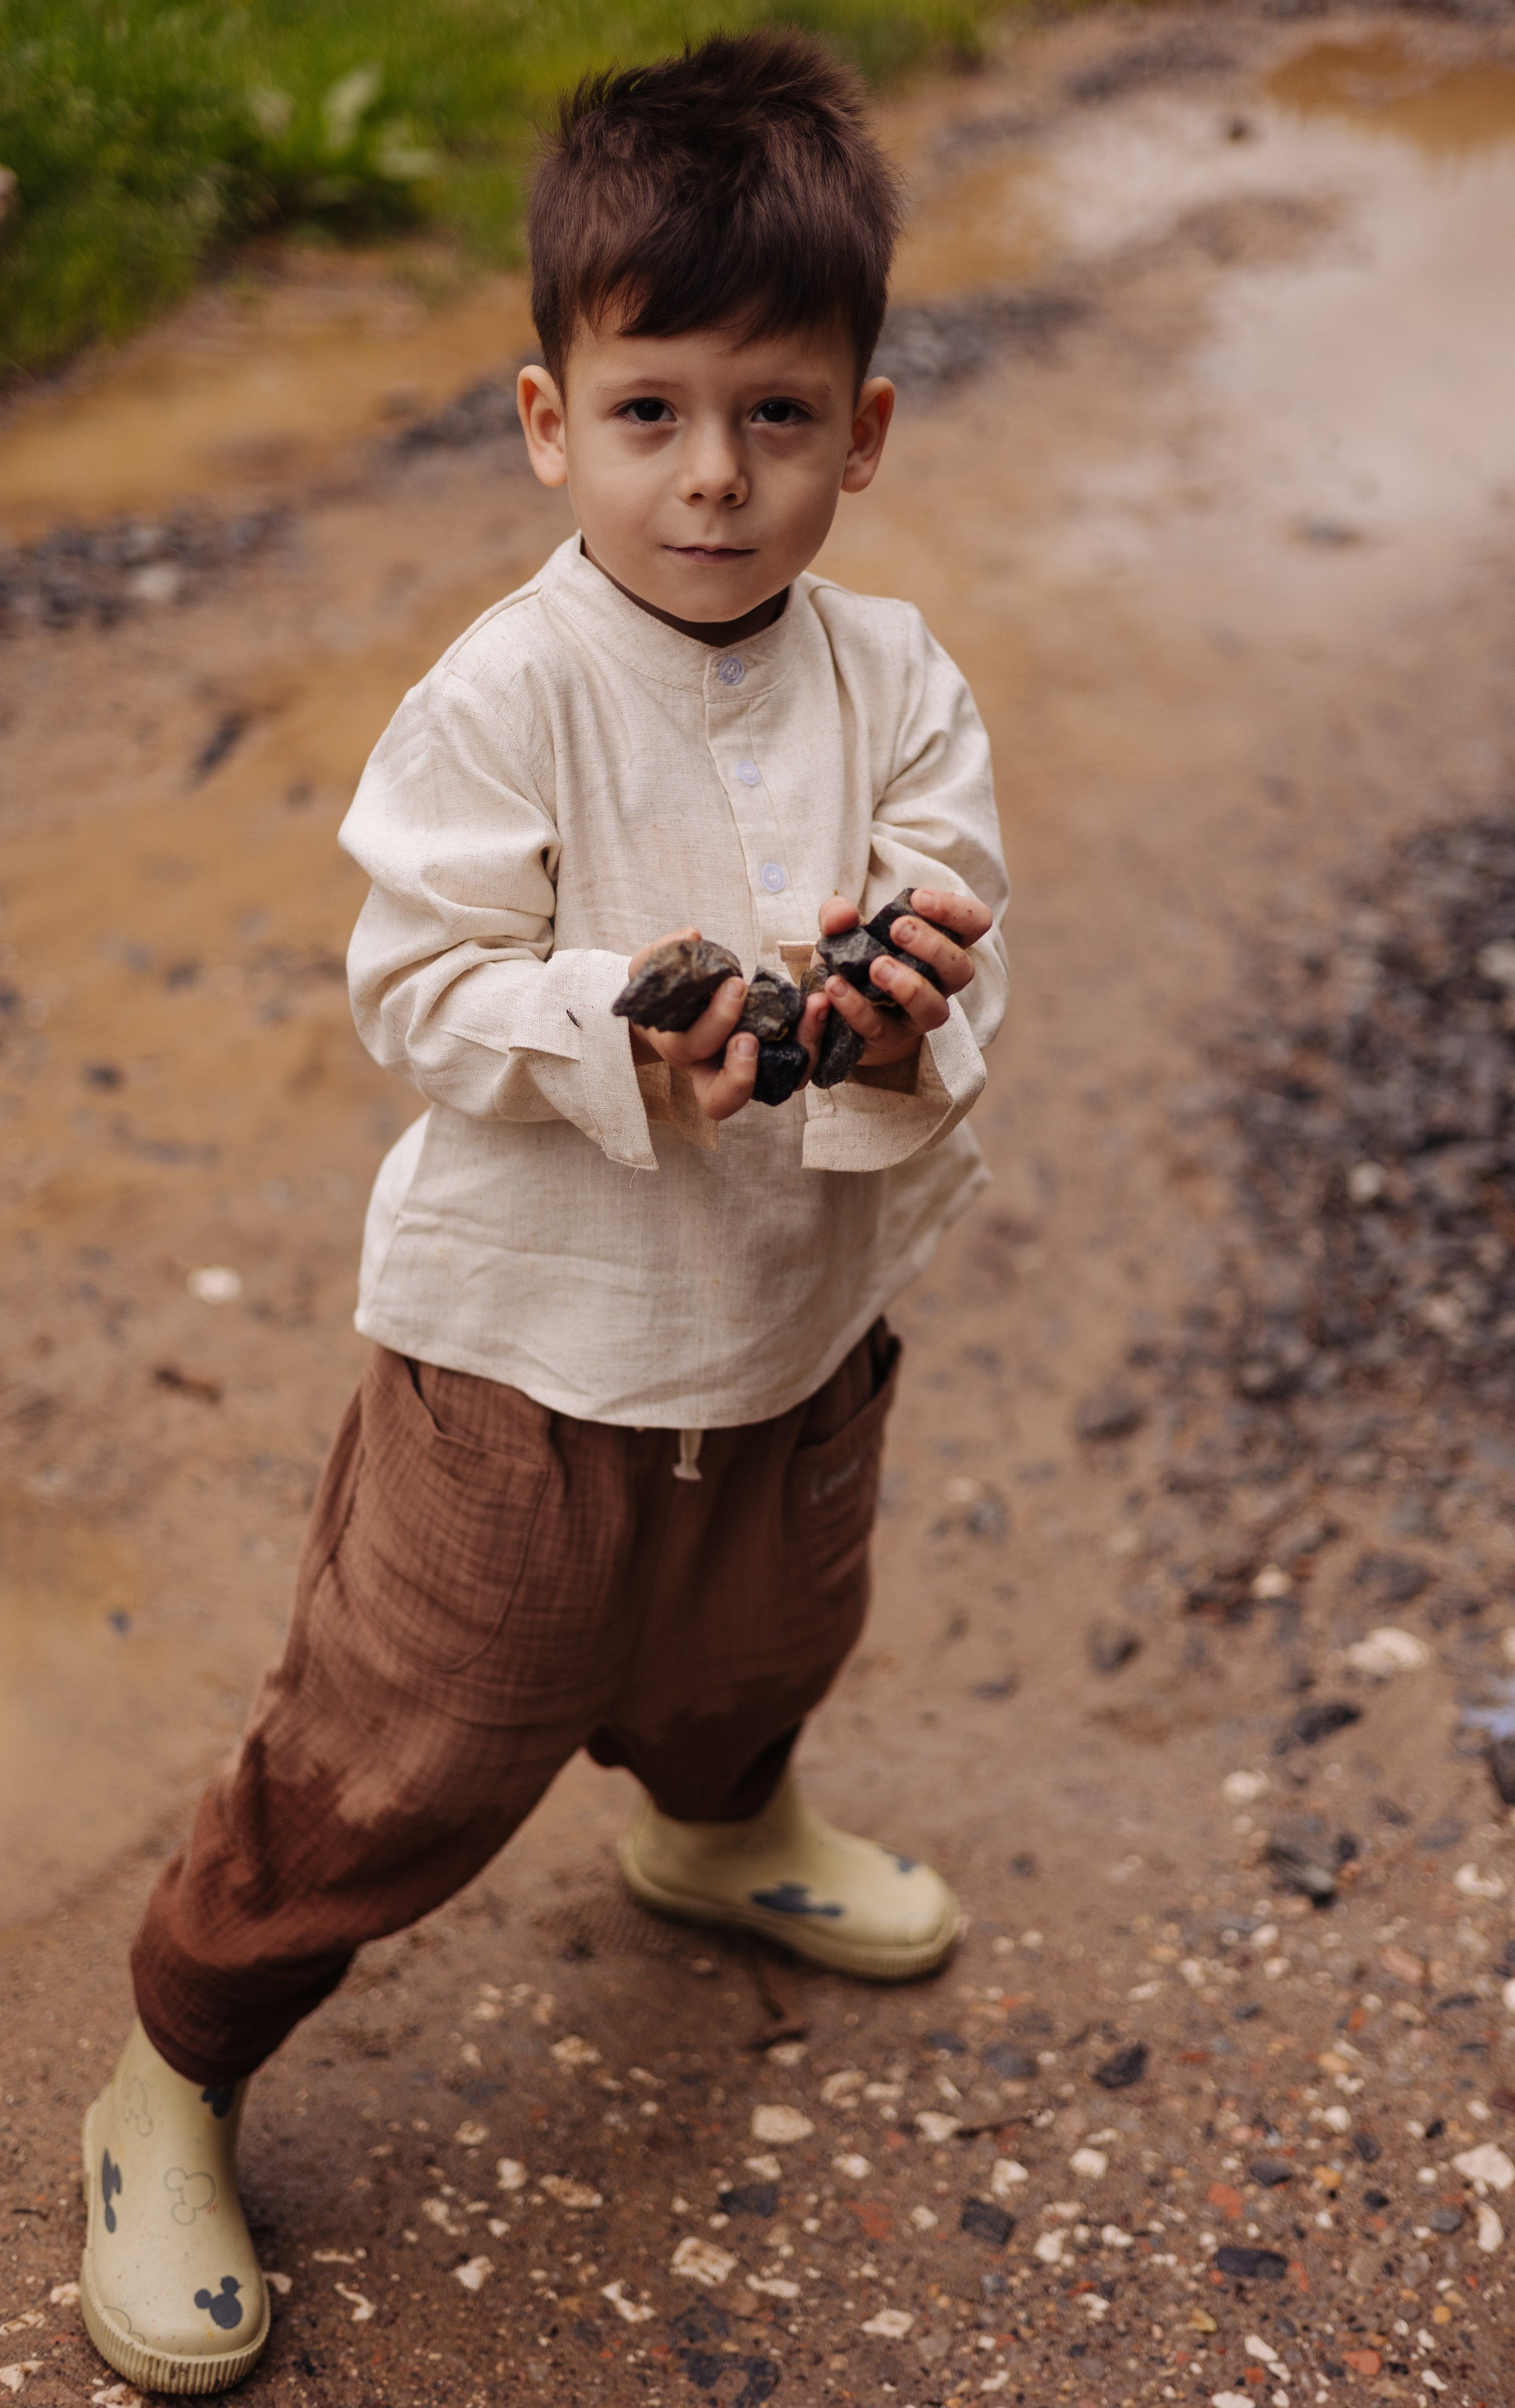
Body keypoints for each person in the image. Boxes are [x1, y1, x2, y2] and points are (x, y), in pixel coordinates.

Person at [78, 29, 1008, 2394]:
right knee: (406, 1743)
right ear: (546, 419)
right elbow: (416, 983)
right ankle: (177, 2062)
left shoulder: (898, 682)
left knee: (756, 1645)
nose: (714, 478)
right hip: (527, 1358)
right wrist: (622, 1021)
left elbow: (948, 908)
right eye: (652, 412)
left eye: (778, 416)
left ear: (863, 432)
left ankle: (716, 1829)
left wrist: (893, 1013)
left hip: (795, 1337)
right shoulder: (502, 696)